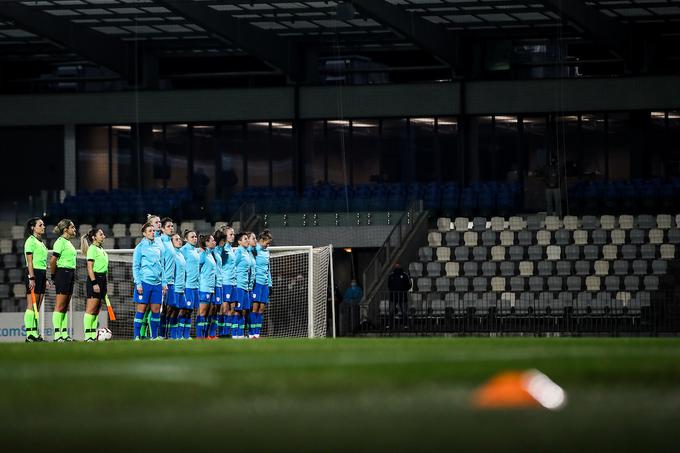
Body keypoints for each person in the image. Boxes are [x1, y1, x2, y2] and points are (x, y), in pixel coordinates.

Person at [132, 222, 167, 340]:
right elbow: (136, 266)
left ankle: (154, 336)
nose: (153, 233)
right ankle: (136, 336)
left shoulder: (157, 247)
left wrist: (164, 282)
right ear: (144, 233)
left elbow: (162, 266)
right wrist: (138, 283)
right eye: (150, 231)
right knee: (141, 309)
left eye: (153, 231)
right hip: (144, 282)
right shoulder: (140, 247)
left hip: (157, 283)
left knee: (156, 311)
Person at [50, 219, 78, 342]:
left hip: (70, 273)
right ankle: (57, 335)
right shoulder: (60, 242)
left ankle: (64, 334)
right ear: (66, 229)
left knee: (65, 306)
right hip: (62, 273)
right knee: (59, 305)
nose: (74, 229)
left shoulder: (68, 242)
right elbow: (52, 260)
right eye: (72, 227)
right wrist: (53, 276)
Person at [23, 217, 49, 342]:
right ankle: (30, 335)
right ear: (33, 227)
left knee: (37, 306)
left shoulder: (41, 243)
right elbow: (30, 262)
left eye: (43, 225)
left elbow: (42, 262)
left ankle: (35, 334)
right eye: (41, 225)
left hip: (42, 274)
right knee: (31, 304)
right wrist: (31, 277)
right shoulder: (30, 241)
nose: (43, 227)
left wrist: (46, 278)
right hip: (33, 274)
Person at [81, 228, 108, 342]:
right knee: (90, 309)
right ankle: (88, 336)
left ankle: (92, 335)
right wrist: (94, 283)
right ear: (94, 237)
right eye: (101, 234)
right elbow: (90, 268)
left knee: (96, 310)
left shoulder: (100, 249)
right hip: (95, 279)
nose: (104, 236)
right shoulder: (92, 249)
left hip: (102, 279)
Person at [232, 231, 255, 339]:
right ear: (239, 241)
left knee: (244, 311)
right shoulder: (239, 252)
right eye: (245, 239)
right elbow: (233, 266)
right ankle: (234, 333)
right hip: (239, 285)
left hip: (246, 286)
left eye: (247, 238)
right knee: (238, 310)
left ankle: (240, 334)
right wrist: (235, 282)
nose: (247, 240)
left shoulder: (246, 252)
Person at [251, 229, 273, 339]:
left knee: (262, 308)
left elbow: (268, 269)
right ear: (261, 240)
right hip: (256, 283)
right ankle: (251, 333)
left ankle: (257, 333)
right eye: (267, 243)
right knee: (254, 308)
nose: (268, 245)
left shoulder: (266, 252)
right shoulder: (255, 249)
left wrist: (270, 283)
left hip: (265, 284)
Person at [179, 229, 200, 340]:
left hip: (195, 286)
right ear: (186, 239)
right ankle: (179, 334)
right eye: (192, 237)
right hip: (187, 286)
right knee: (184, 310)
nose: (195, 238)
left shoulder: (195, 250)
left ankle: (186, 335)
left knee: (190, 311)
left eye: (195, 236)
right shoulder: (183, 250)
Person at [196, 234, 217, 339]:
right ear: (207, 243)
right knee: (202, 312)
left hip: (211, 288)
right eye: (212, 240)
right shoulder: (203, 254)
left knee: (209, 312)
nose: (214, 242)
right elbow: (197, 270)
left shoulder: (210, 254)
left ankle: (204, 335)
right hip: (204, 288)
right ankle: (199, 336)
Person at [159, 217, 176, 338]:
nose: (172, 228)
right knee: (161, 311)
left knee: (170, 309)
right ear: (162, 228)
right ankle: (159, 335)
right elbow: (161, 264)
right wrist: (163, 281)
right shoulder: (160, 242)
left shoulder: (170, 242)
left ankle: (167, 335)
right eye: (169, 226)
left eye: (172, 226)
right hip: (163, 282)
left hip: (172, 281)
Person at [219, 226, 236, 337]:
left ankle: (227, 331)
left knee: (232, 309)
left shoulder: (231, 248)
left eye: (233, 234)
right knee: (224, 309)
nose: (233, 236)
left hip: (233, 282)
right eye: (230, 234)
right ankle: (221, 332)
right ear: (225, 236)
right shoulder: (223, 248)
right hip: (225, 282)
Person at [169, 233, 186, 340]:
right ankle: (172, 336)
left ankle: (179, 336)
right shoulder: (172, 255)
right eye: (176, 239)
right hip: (174, 287)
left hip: (181, 288)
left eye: (180, 239)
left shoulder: (180, 254)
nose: (179, 241)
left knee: (182, 311)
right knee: (172, 312)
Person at [387, 263, 412, 327]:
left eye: (398, 265)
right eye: (396, 265)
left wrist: (404, 290)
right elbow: (389, 285)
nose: (397, 266)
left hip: (403, 296)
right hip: (393, 296)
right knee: (391, 311)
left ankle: (405, 325)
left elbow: (409, 285)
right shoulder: (391, 275)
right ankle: (390, 325)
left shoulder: (405, 275)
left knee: (404, 311)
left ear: (400, 266)